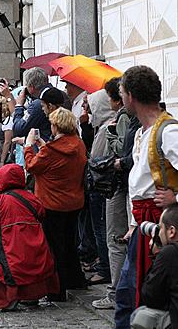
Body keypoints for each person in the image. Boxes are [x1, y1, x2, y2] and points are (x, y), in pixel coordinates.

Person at [0, 164, 59, 311]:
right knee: (23, 268)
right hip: (36, 267)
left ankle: (9, 297)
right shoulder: (33, 200)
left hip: (11, 268)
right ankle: (29, 296)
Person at [120, 66, 178, 307]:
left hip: (160, 224)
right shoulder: (141, 132)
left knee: (148, 297)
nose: (121, 97)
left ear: (131, 96)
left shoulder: (169, 131)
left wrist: (175, 198)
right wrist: (133, 226)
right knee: (128, 296)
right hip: (142, 224)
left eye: (122, 92)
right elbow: (138, 184)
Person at [24, 108, 87, 300]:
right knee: (69, 242)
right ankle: (75, 279)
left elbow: (32, 166)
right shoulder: (78, 144)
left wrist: (28, 146)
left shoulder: (50, 151)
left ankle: (57, 290)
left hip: (51, 203)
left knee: (54, 247)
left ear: (56, 126)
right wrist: (44, 147)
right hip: (74, 201)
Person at [93, 77, 137, 310]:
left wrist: (110, 134)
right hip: (127, 185)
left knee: (115, 238)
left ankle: (116, 292)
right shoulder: (133, 118)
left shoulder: (122, 118)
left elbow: (121, 150)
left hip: (119, 185)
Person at [85, 89, 117, 287]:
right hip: (100, 185)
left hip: (101, 186)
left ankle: (105, 268)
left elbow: (97, 159)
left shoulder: (106, 129)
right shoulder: (102, 127)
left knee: (101, 228)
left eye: (91, 106)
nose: (88, 110)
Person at [133, 204, 178, 329]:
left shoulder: (170, 253)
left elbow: (150, 296)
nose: (159, 232)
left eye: (161, 227)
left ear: (171, 231)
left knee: (143, 315)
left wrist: (157, 254)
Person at [12, 67, 55, 141]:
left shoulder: (38, 104)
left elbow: (19, 129)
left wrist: (19, 106)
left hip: (45, 148)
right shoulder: (61, 94)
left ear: (31, 87)